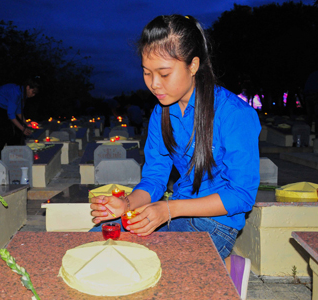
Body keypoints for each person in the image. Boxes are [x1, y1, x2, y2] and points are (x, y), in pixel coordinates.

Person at [89, 15, 260, 299]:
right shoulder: (161, 113)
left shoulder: (234, 115)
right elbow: (155, 179)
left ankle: (223, 269)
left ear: (193, 65)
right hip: (176, 209)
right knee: (100, 240)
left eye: (164, 73)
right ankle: (213, 270)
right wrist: (126, 204)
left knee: (144, 270)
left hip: (216, 222)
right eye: (146, 72)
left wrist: (168, 210)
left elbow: (241, 196)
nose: (154, 84)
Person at [0, 77, 41, 159]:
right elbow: (11, 115)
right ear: (28, 87)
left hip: (3, 108)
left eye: (35, 94)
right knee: (6, 132)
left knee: (16, 132)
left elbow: (18, 111)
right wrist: (23, 129)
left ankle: (14, 156)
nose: (33, 95)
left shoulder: (23, 94)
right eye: (33, 92)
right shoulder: (15, 92)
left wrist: (26, 123)